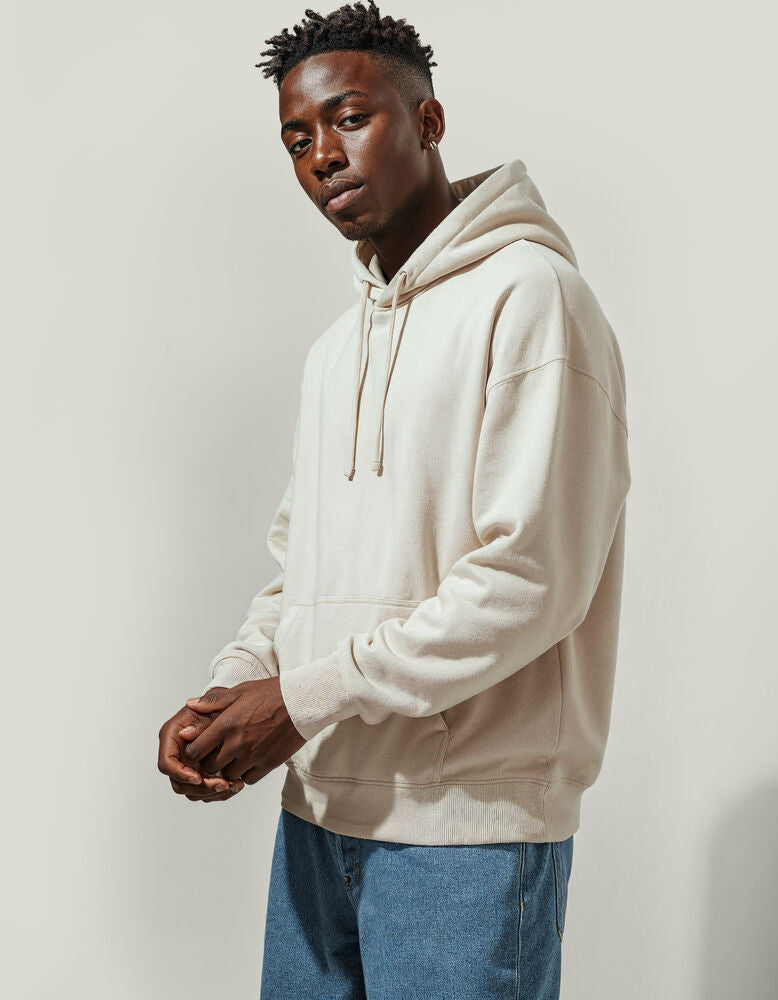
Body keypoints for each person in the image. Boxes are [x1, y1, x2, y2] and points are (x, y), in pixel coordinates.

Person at [157, 2, 631, 997]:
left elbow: (530, 580)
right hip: (317, 815)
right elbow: (301, 568)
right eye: (298, 139)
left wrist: (295, 702)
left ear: (428, 120)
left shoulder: (532, 298)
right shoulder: (336, 351)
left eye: (349, 118)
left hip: (467, 836)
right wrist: (231, 688)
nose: (324, 155)